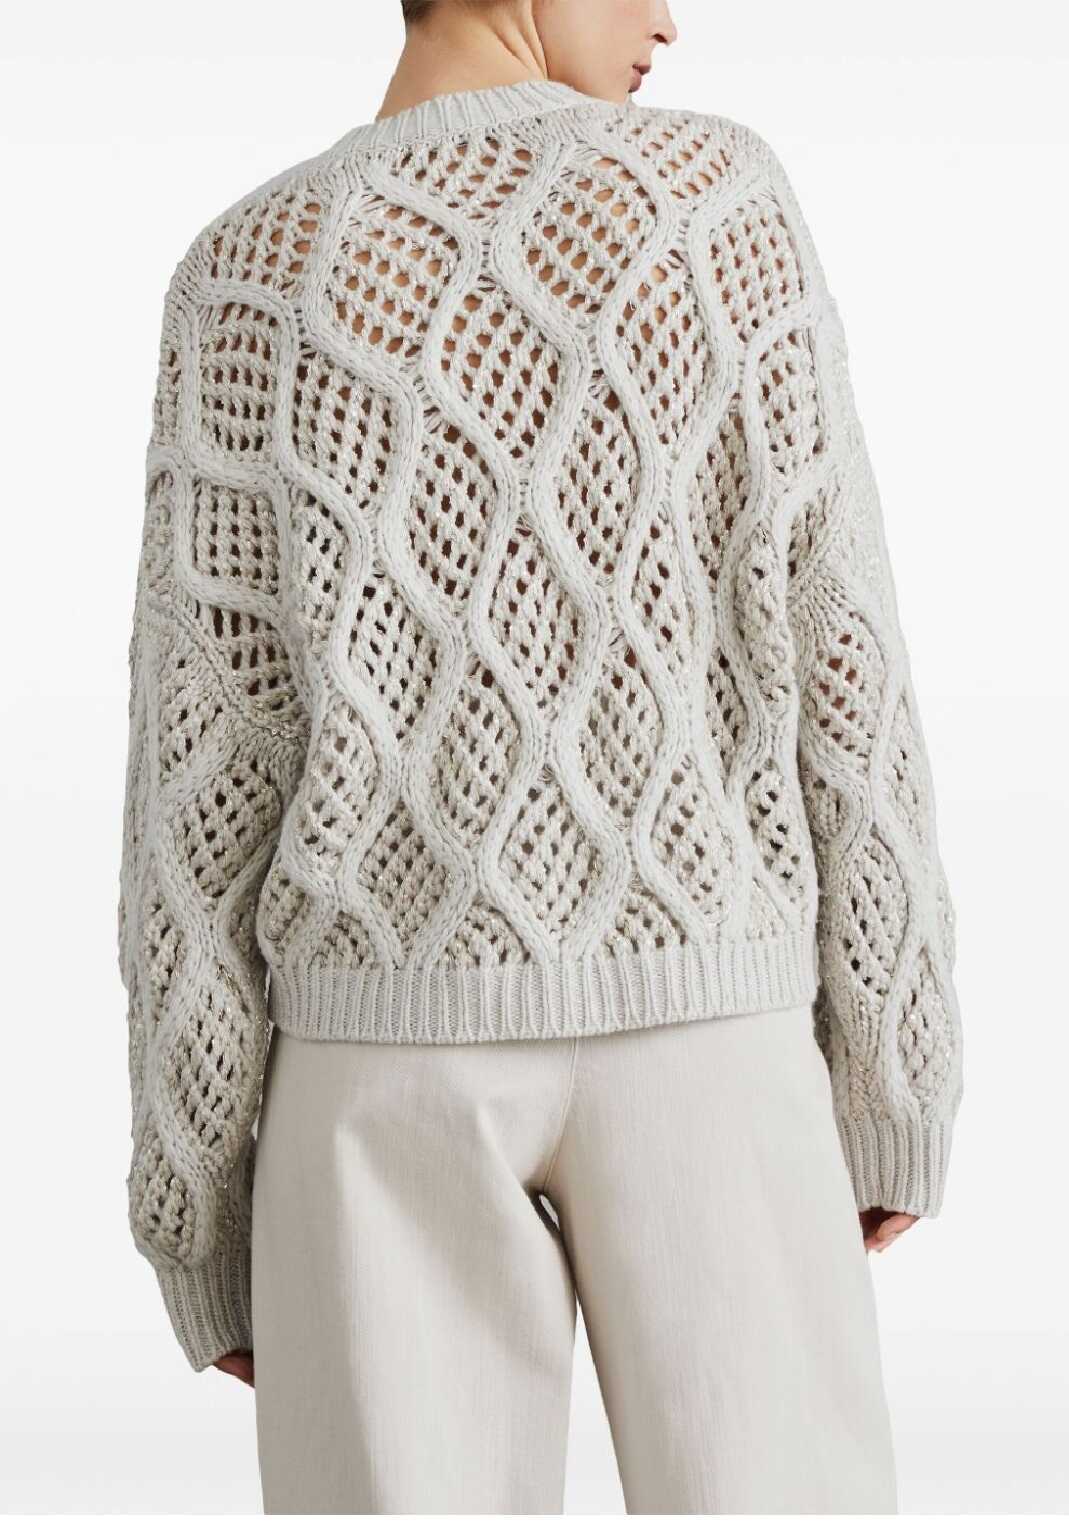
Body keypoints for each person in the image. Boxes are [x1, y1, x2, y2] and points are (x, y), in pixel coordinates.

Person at [116, 0, 964, 1512]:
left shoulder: (245, 273)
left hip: (375, 1071)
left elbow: (202, 779)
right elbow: (839, 641)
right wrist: (896, 1059)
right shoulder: (711, 202)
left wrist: (200, 1208)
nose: (667, 21)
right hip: (707, 1027)